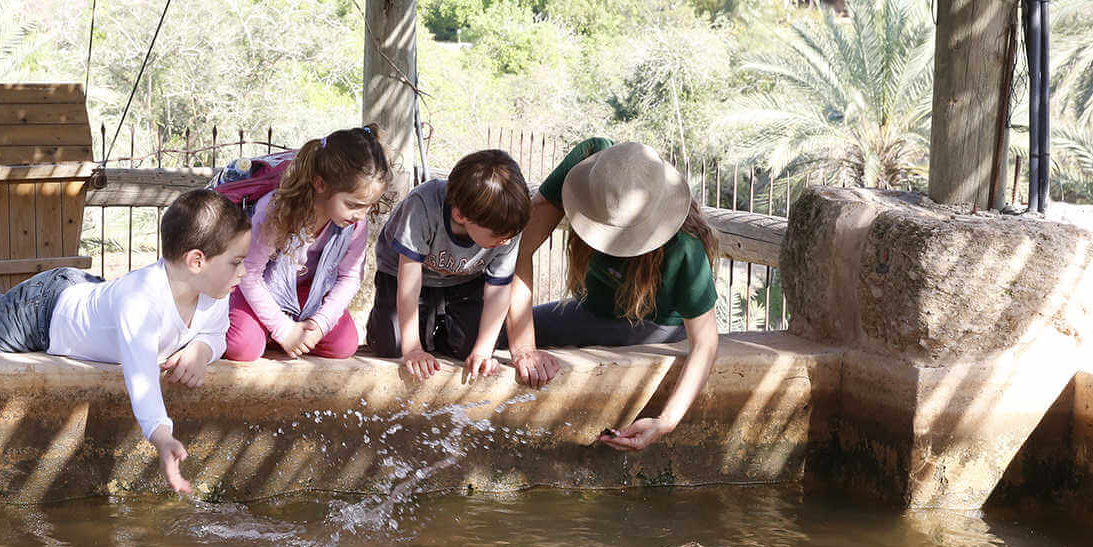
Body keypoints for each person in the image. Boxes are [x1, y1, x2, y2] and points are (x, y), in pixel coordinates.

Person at [0, 189, 251, 495]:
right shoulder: (140, 301)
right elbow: (141, 378)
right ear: (196, 261)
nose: (243, 272)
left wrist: (200, 351)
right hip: (41, 313)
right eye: (236, 262)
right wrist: (163, 437)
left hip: (89, 294)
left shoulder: (213, 295)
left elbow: (215, 334)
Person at [506, 138, 721, 451]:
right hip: (589, 307)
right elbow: (520, 249)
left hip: (650, 325)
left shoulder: (685, 247)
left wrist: (665, 422)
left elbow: (705, 342)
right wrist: (524, 347)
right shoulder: (589, 162)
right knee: (478, 335)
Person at [363, 148, 557, 384]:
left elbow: (499, 290)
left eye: (510, 235)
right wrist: (413, 348)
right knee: (392, 345)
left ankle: (440, 327)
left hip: (465, 277)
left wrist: (483, 351)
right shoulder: (422, 205)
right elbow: (409, 285)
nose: (506, 242)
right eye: (499, 235)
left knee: (469, 348)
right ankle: (409, 327)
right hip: (402, 275)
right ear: (460, 215)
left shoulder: (507, 226)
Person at [224, 125, 390, 362]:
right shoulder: (277, 211)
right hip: (261, 289)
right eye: (353, 205)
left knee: (343, 344)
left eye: (369, 206)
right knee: (242, 347)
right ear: (320, 184)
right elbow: (249, 273)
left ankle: (286, 334)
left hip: (307, 294)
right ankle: (274, 331)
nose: (361, 215)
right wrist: (284, 330)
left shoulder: (355, 224)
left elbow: (350, 277)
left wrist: (320, 324)